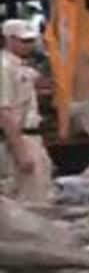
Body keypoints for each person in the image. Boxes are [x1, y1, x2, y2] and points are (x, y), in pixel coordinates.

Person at [0, 19, 52, 202]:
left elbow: (40, 81)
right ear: (9, 39)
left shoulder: (21, 66)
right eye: (24, 41)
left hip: (32, 137)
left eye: (31, 40)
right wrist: (20, 151)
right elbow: (4, 112)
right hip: (19, 138)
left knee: (41, 195)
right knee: (28, 201)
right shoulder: (3, 67)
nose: (30, 45)